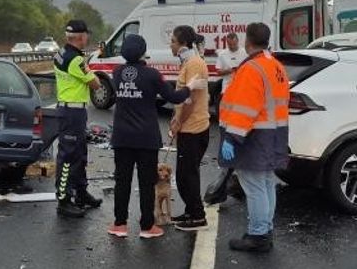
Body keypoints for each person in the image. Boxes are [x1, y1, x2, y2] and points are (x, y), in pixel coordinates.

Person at [108, 34, 202, 239]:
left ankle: (119, 224)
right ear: (143, 52)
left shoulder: (116, 72)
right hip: (146, 138)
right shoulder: (152, 75)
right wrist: (190, 86)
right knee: (146, 183)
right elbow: (174, 97)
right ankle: (147, 226)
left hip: (122, 137)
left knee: (122, 182)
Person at [218, 22, 291, 253]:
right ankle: (265, 229)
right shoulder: (276, 65)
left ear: (247, 40)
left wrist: (232, 137)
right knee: (267, 183)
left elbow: (245, 108)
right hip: (273, 133)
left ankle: (258, 235)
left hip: (255, 136)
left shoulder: (252, 68)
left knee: (254, 186)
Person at [53, 20, 103, 218]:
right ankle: (64, 199)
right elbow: (96, 84)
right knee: (68, 156)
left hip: (69, 110)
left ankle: (81, 192)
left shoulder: (61, 53)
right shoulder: (76, 60)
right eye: (86, 35)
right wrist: (90, 71)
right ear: (81, 37)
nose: (87, 38)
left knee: (80, 153)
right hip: (72, 112)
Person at [167, 25, 212, 232]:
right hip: (189, 127)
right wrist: (175, 118)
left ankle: (197, 216)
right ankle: (190, 211)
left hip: (193, 129)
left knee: (187, 175)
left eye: (173, 41)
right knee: (185, 173)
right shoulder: (189, 62)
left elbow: (190, 100)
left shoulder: (194, 64)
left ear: (183, 43)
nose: (171, 45)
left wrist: (178, 122)